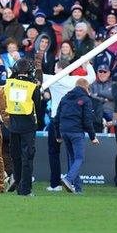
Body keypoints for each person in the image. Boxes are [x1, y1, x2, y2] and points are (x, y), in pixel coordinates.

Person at [42, 60, 96, 191]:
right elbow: (92, 77)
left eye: (55, 68)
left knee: (54, 152)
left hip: (56, 120)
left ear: (60, 69)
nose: (54, 70)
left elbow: (37, 75)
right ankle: (72, 183)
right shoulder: (77, 80)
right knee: (72, 155)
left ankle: (55, 184)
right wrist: (87, 64)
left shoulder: (52, 78)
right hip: (74, 123)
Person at [54, 78, 99, 194]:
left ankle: (77, 188)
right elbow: (87, 121)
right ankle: (68, 179)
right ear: (86, 88)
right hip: (76, 132)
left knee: (72, 158)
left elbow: (57, 117)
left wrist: (58, 134)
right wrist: (93, 137)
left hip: (64, 130)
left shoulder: (64, 98)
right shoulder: (86, 100)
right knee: (79, 158)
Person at [4, 58, 41, 196]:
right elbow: (38, 107)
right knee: (27, 158)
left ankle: (18, 183)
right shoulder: (33, 87)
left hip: (13, 125)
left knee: (16, 157)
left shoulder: (9, 84)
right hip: (28, 125)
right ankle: (25, 189)